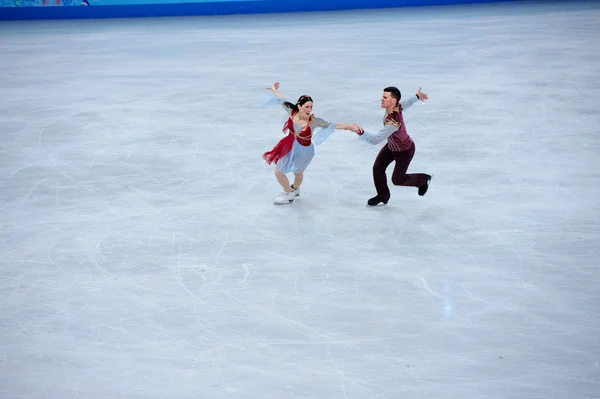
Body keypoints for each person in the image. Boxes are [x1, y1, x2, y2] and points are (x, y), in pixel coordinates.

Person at [262, 82, 360, 205]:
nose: (309, 110)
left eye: (311, 107)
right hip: (290, 146)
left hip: (304, 151)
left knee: (298, 173)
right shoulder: (292, 112)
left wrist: (349, 126)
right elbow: (281, 99)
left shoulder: (314, 121)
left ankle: (291, 193)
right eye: (306, 107)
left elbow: (333, 124)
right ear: (299, 106)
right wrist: (273, 89)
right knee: (278, 172)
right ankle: (292, 191)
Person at [351, 86, 432, 206]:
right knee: (378, 168)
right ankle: (383, 195)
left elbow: (376, 139)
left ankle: (423, 179)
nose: (381, 99)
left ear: (392, 101)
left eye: (384, 97)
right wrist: (416, 97)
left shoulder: (393, 122)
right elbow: (405, 103)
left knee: (397, 180)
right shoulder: (396, 107)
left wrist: (360, 132)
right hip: (391, 147)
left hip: (404, 151)